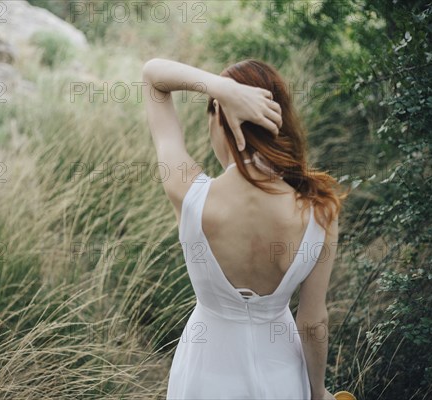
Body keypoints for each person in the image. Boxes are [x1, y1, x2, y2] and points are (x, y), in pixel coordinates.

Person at [142, 58, 347, 399]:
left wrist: (219, 88)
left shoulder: (189, 193)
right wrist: (318, 392)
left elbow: (153, 76)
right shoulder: (320, 209)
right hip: (281, 374)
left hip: (204, 376)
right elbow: (312, 324)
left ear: (220, 118)